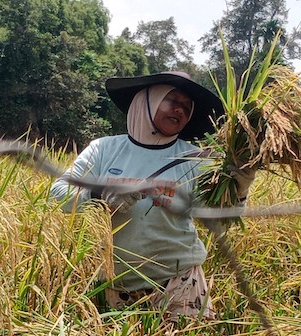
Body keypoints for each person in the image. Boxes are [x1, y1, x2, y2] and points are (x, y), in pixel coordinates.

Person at [50, 71, 255, 322]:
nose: (180, 110)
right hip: (113, 284)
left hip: (179, 281)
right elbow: (57, 194)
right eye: (172, 100)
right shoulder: (104, 150)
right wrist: (100, 193)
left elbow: (221, 220)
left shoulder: (197, 160)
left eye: (187, 107)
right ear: (148, 100)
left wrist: (241, 187)